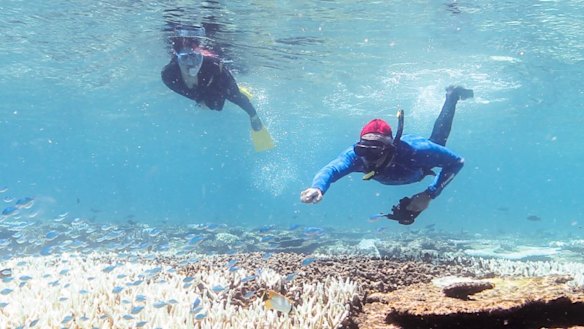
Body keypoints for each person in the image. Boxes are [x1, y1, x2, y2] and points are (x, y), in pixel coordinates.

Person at [300, 85, 474, 225]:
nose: (368, 158)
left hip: (420, 166)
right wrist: (318, 187)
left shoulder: (417, 151)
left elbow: (457, 161)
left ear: (391, 148)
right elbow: (332, 169)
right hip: (412, 172)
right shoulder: (355, 156)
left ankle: (452, 96)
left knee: (438, 140)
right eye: (363, 149)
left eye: (375, 151)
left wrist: (429, 194)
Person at [161, 26, 274, 151]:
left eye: (195, 58)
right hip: (203, 87)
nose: (190, 64)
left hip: (216, 82)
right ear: (178, 59)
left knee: (224, 101)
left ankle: (241, 93)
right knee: (209, 102)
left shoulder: (214, 67)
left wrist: (254, 117)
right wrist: (199, 98)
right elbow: (187, 92)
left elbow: (230, 100)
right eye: (185, 58)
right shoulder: (169, 75)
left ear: (201, 57)